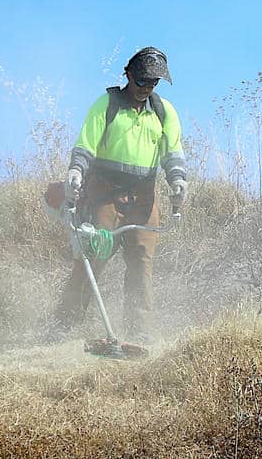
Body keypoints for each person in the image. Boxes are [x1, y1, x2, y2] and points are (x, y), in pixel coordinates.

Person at [46, 46, 188, 343]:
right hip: (104, 193)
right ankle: (63, 327)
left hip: (144, 197)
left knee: (141, 261)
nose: (146, 89)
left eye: (153, 84)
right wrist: (75, 172)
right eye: (141, 82)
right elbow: (86, 145)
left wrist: (178, 181)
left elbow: (173, 153)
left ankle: (138, 333)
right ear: (128, 75)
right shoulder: (107, 105)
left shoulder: (164, 112)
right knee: (95, 253)